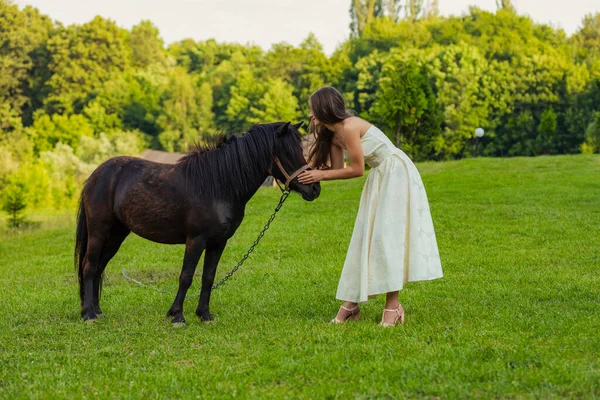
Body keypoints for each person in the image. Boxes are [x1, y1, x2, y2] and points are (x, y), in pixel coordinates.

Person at [298, 86, 443, 327]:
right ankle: (351, 305)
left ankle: (392, 307)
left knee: (387, 238)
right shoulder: (332, 136)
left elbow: (356, 170)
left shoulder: (350, 127)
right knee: (365, 238)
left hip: (396, 173)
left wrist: (320, 177)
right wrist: (312, 173)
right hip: (380, 177)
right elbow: (339, 168)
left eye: (313, 110)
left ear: (324, 108)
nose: (311, 116)